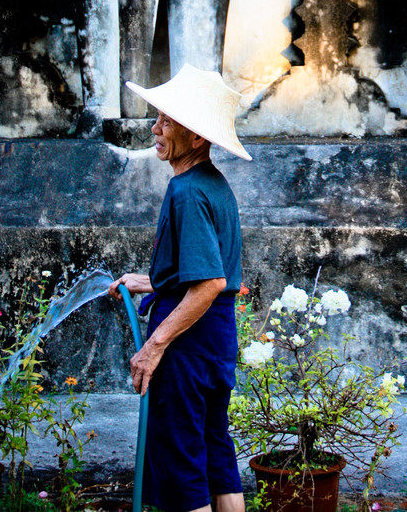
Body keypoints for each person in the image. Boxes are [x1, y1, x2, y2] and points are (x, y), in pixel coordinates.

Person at [108, 63, 251, 512]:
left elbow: (209, 282)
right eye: (158, 117)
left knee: (182, 463)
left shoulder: (187, 192)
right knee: (213, 451)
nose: (155, 128)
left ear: (197, 138)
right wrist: (152, 280)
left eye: (167, 121)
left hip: (187, 345)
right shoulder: (212, 185)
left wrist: (154, 345)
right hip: (214, 339)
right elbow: (206, 271)